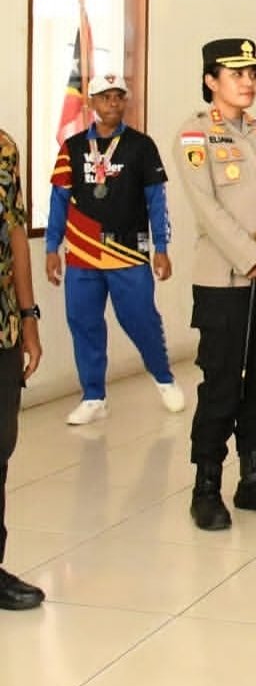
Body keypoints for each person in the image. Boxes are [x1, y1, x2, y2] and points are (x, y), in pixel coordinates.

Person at [173, 38, 256, 531]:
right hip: (223, 281)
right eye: (236, 74)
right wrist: (253, 258)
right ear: (211, 80)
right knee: (222, 383)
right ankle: (206, 487)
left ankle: (253, 480)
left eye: (252, 74)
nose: (248, 82)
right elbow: (207, 208)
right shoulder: (195, 135)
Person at [45, 74, 185, 425]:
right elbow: (58, 200)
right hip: (82, 253)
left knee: (141, 320)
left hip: (128, 252)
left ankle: (163, 377)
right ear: (91, 102)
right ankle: (93, 397)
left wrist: (161, 246)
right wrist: (51, 247)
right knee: (84, 324)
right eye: (105, 97)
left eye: (118, 96)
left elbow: (157, 201)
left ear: (126, 101)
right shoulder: (73, 147)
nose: (112, 103)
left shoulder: (141, 146)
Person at [0, 131, 45, 610]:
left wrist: (29, 317)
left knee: (0, 445)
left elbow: (16, 232)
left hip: (2, 324)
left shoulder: (3, 148)